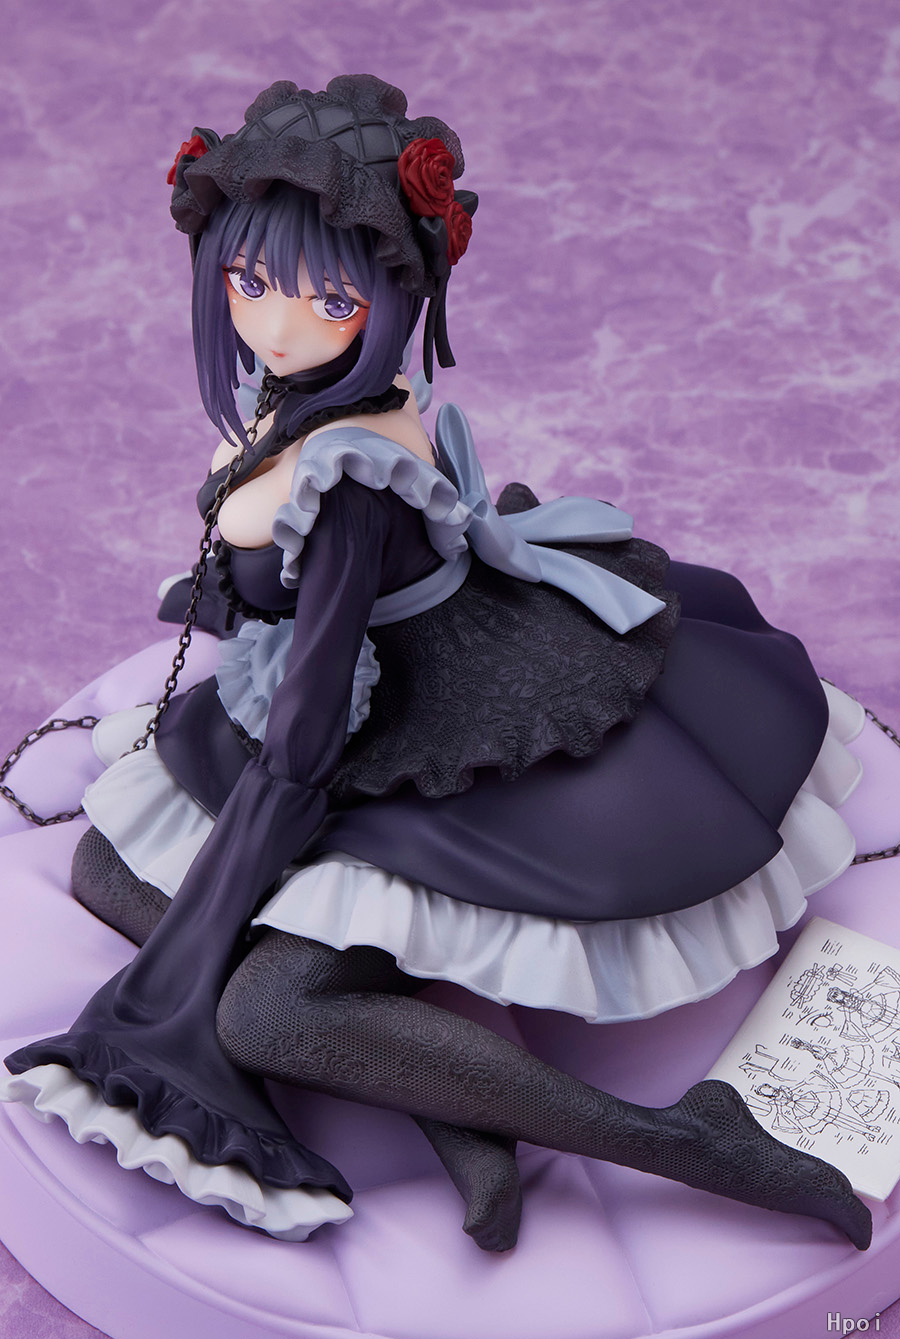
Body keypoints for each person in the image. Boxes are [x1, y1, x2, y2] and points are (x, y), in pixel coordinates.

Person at [0, 75, 872, 1253]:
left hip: (414, 715)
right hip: (335, 682)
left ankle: (682, 1139)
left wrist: (226, 893)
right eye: (250, 282)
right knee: (109, 864)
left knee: (265, 1014)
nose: (279, 325)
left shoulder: (349, 472)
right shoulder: (292, 402)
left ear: (390, 298)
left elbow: (313, 725)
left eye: (328, 297)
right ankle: (456, 1106)